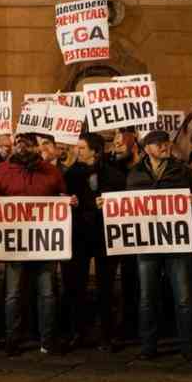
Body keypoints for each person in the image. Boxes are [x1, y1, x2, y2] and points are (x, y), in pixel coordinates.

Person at [116, 129, 192, 364]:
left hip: (177, 244)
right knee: (147, 297)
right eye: (158, 143)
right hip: (147, 245)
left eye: (166, 142)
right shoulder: (135, 174)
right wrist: (109, 205)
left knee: (184, 297)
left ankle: (188, 348)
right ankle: (148, 347)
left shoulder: (183, 170)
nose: (165, 146)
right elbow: (127, 206)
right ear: (147, 149)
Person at [0, 132, 68, 356]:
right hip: (16, 246)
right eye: (18, 142)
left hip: (45, 244)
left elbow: (63, 196)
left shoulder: (51, 171)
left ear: (36, 148)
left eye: (27, 144)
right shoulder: (2, 171)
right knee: (13, 293)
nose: (22, 147)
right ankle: (12, 340)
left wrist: (69, 201)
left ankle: (48, 340)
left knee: (48, 292)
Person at [64, 133, 127, 352]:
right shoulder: (69, 175)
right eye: (77, 148)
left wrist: (109, 204)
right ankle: (78, 332)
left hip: (105, 239)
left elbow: (124, 204)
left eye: (81, 148)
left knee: (107, 288)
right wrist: (67, 201)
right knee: (75, 287)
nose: (76, 151)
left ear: (95, 151)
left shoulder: (115, 176)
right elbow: (60, 200)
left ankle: (106, 335)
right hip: (79, 238)